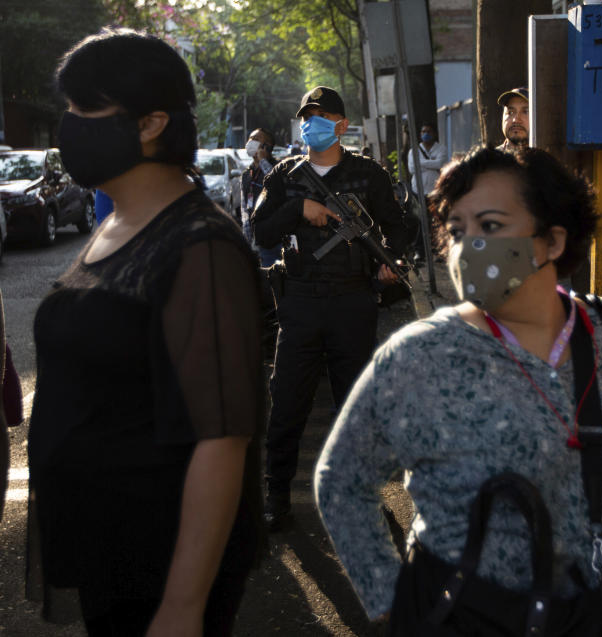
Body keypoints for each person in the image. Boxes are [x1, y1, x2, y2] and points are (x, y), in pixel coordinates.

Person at [315, 147, 602, 636]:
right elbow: (341, 480)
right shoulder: (420, 356)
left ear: (553, 240)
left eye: (491, 226)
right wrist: (400, 606)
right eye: (457, 231)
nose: (466, 246)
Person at [29, 28, 262, 635]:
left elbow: (222, 436)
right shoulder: (116, 223)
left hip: (159, 567)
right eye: (69, 108)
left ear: (151, 123)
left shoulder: (200, 245)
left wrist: (183, 606)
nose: (69, 126)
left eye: (86, 110)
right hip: (107, 549)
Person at [252, 85, 405, 531]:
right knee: (286, 404)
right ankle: (276, 497)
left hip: (353, 301)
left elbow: (398, 228)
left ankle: (365, 498)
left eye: (319, 116)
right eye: (306, 116)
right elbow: (261, 232)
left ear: (340, 124)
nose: (310, 124)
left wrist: (391, 265)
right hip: (299, 301)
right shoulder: (284, 175)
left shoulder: (368, 174)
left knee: (355, 403)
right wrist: (300, 208)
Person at [241, 127, 278, 261]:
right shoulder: (247, 174)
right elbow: (245, 208)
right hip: (257, 239)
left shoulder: (278, 168)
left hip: (275, 237)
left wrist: (263, 161)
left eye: (256, 139)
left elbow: (276, 184)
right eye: (250, 138)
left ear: (266, 146)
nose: (250, 142)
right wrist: (247, 238)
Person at [407, 122, 446, 195]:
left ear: (434, 133)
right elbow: (412, 169)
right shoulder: (413, 151)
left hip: (436, 190)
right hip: (417, 191)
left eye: (429, 131)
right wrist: (432, 163)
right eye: (424, 131)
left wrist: (419, 162)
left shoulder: (441, 149)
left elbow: (440, 164)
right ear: (420, 134)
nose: (426, 134)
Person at [497, 87, 529, 153]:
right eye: (510, 112)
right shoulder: (489, 160)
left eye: (525, 112)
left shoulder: (546, 160)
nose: (515, 120)